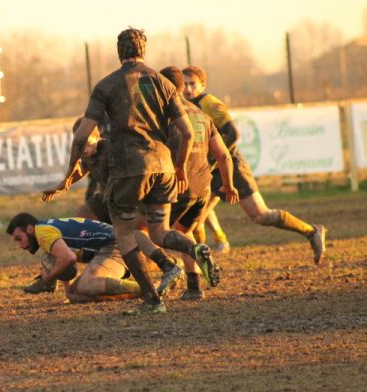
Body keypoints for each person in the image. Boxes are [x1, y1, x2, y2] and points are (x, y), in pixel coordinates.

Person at [65, 28, 219, 314]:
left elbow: (81, 135)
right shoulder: (163, 83)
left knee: (126, 233)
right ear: (143, 50)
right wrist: (181, 167)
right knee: (160, 231)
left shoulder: (106, 85)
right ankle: (193, 248)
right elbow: (186, 132)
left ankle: (152, 300)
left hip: (129, 169)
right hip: (163, 167)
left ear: (119, 51)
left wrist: (68, 173)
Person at [182, 65, 327, 265]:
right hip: (209, 168)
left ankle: (312, 231)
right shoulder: (184, 105)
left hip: (230, 164)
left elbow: (234, 134)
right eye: (184, 85)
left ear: (203, 85)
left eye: (192, 84)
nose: (188, 89)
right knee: (192, 221)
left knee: (261, 215)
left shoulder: (210, 104)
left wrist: (213, 160)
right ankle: (198, 267)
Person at [40, 117, 184, 296]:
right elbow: (81, 170)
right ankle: (73, 270)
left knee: (129, 232)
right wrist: (63, 184)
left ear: (97, 135)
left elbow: (136, 173)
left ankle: (167, 264)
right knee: (80, 216)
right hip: (107, 197)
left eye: (87, 143)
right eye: (79, 143)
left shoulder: (112, 150)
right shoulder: (85, 154)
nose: (83, 149)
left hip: (129, 196)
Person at [159, 66, 239, 300]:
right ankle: (193, 288)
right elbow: (224, 155)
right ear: (182, 86)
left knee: (139, 229)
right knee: (184, 231)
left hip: (179, 184)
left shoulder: (164, 114)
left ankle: (166, 270)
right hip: (203, 186)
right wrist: (228, 185)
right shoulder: (201, 114)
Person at [7, 213, 142, 303]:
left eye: (19, 238)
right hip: (106, 247)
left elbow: (68, 258)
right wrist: (68, 290)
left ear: (30, 229)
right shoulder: (46, 230)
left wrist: (48, 278)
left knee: (87, 285)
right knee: (75, 296)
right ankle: (128, 288)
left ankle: (148, 289)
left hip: (116, 243)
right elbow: (65, 259)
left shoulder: (42, 233)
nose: (19, 245)